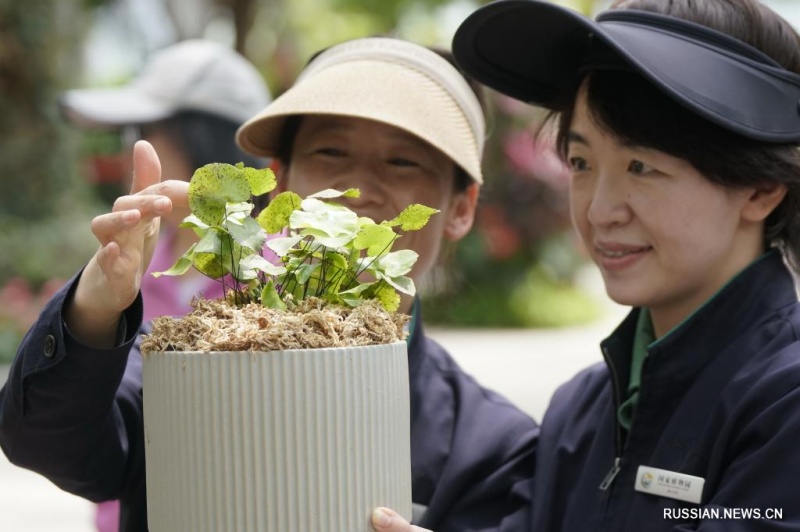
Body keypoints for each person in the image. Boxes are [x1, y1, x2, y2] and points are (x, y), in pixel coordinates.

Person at [0, 37, 538, 532]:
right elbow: (48, 442)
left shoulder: (494, 449)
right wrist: (94, 313)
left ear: (462, 207)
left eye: (402, 161)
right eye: (331, 153)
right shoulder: (192, 361)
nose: (359, 188)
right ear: (280, 178)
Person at [373, 0, 800, 530]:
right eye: (580, 163)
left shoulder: (785, 404)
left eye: (641, 166)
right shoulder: (579, 411)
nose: (599, 211)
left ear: (761, 187)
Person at [60, 38, 272, 532]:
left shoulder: (274, 270)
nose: (130, 148)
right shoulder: (137, 260)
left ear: (203, 140)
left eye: (146, 130)